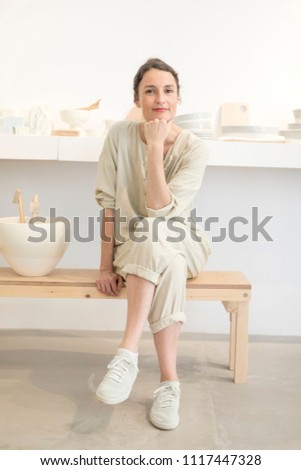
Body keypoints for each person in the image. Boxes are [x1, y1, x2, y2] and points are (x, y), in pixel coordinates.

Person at [95, 58, 211, 430]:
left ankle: (127, 353)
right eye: (150, 90)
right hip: (138, 247)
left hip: (184, 240)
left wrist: (155, 146)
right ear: (137, 98)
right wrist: (105, 265)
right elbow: (109, 204)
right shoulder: (118, 136)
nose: (160, 98)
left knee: (157, 232)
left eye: (168, 90)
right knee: (168, 262)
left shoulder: (194, 149)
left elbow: (160, 210)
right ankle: (169, 383)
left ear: (178, 98)